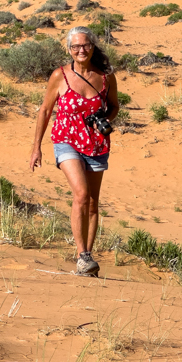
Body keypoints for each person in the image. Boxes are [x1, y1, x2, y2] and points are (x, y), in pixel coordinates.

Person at [29, 26, 120, 276]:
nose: (81, 50)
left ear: (93, 46)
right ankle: (81, 255)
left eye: (86, 45)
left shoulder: (106, 76)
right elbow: (46, 110)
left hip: (97, 142)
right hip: (66, 139)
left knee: (92, 202)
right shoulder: (59, 75)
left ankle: (88, 259)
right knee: (80, 193)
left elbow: (114, 106)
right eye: (76, 46)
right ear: (69, 49)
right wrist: (36, 147)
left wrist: (105, 118)